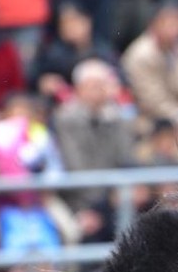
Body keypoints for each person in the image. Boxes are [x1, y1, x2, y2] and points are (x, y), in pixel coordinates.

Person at [54, 59, 137, 242]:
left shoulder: (115, 116)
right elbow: (74, 166)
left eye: (104, 85)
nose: (102, 90)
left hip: (113, 196)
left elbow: (125, 157)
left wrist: (116, 120)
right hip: (78, 201)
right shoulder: (66, 118)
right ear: (80, 88)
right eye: (95, 85)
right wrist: (98, 207)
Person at [121, 3, 178, 130]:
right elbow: (152, 101)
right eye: (168, 24)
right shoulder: (140, 56)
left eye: (176, 24)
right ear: (154, 25)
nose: (174, 29)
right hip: (150, 119)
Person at [34, 1, 118, 100]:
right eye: (65, 23)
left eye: (74, 21)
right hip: (66, 105)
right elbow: (36, 79)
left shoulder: (104, 50)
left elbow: (120, 78)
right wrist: (45, 82)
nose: (70, 27)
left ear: (87, 22)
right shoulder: (52, 55)